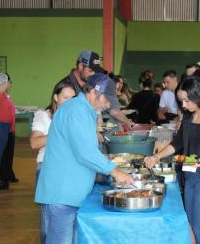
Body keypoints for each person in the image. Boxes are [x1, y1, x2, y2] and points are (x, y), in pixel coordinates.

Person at [35, 73, 134, 244]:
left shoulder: (84, 111)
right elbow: (85, 152)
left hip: (70, 192)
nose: (108, 104)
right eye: (106, 99)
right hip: (62, 195)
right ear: (94, 93)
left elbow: (82, 147)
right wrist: (114, 171)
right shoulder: (77, 111)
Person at [145, 76, 200, 244]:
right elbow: (177, 143)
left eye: (186, 100)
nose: (183, 105)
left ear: (198, 95)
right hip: (191, 175)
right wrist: (156, 156)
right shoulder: (187, 116)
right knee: (191, 226)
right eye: (181, 101)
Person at [58, 50, 132, 127]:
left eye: (95, 71)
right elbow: (64, 119)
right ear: (80, 66)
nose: (93, 74)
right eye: (90, 70)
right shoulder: (64, 87)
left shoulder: (91, 84)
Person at [30, 80, 76, 182]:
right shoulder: (44, 116)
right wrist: (59, 132)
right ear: (56, 98)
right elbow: (34, 143)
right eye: (65, 98)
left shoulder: (74, 117)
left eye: (72, 98)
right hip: (47, 166)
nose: (70, 102)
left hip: (69, 166)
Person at [0, 73, 19, 184]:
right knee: (3, 153)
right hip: (4, 129)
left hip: (10, 129)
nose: (10, 84)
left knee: (9, 153)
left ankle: (8, 174)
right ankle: (3, 176)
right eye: (9, 82)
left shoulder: (6, 96)